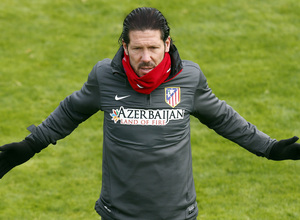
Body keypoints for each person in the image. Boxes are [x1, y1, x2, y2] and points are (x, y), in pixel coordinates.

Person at [0, 7, 299, 220]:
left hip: (176, 214)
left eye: (154, 48)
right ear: (124, 46)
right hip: (119, 213)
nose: (146, 58)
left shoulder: (189, 78)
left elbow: (223, 118)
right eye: (138, 48)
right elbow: (70, 112)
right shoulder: (105, 77)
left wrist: (270, 148)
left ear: (167, 44)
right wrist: (28, 146)